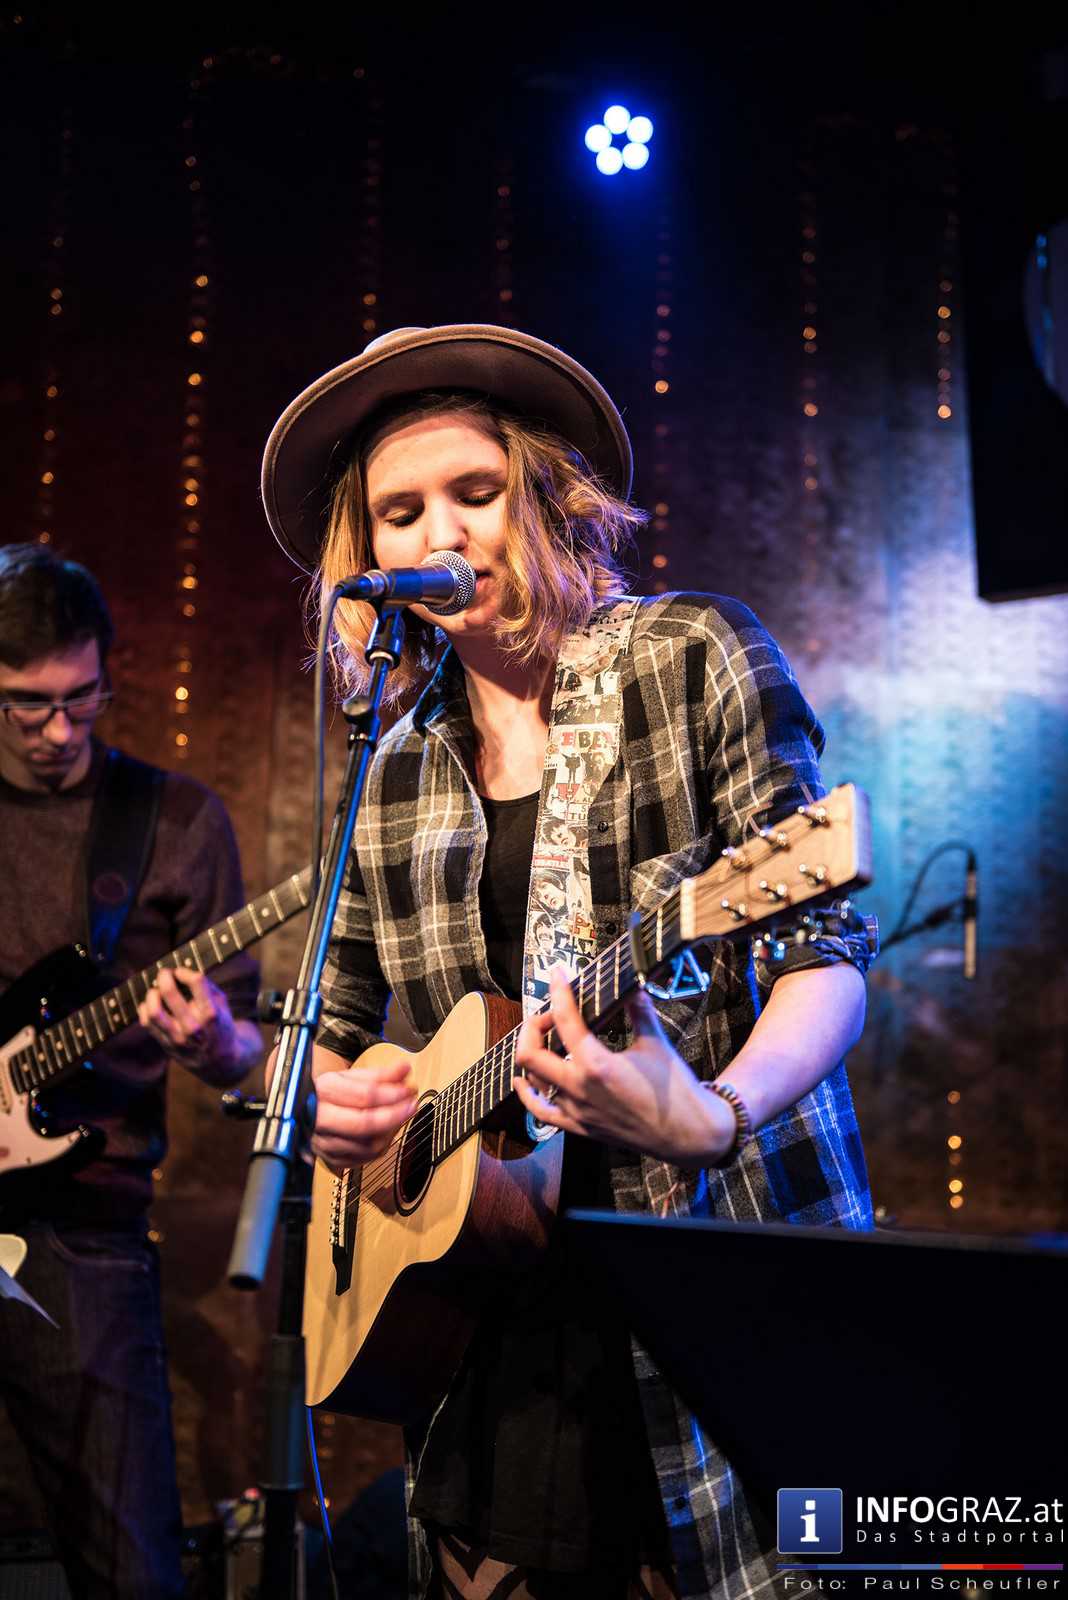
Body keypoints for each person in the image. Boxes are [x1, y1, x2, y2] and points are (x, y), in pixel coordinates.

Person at [260, 324, 878, 1600]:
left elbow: (829, 954)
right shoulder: (392, 768)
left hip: (712, 1298)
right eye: (400, 511)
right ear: (364, 555)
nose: (441, 534)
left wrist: (714, 1114)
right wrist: (326, 1093)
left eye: (475, 495)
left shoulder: (693, 653)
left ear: (545, 496)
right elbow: (332, 1012)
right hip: (489, 1350)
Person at [0, 543, 263, 1599]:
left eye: (82, 698)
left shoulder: (177, 823)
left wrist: (215, 1045)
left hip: (86, 1230)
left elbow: (246, 1055)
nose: (61, 730)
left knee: (128, 1568)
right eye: (27, 705)